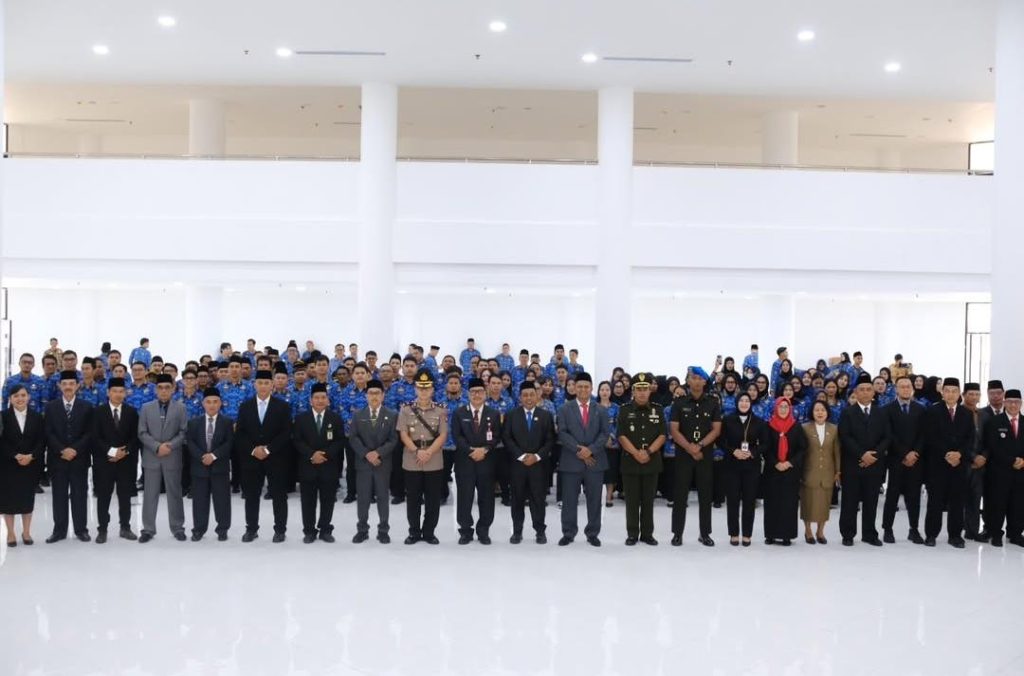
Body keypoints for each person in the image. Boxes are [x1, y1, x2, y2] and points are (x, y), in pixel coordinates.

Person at [235, 370, 293, 543]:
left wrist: (268, 449)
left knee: (279, 495)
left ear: (272, 385)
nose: (263, 386)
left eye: (266, 383)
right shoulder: (245, 406)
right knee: (251, 496)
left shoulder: (282, 406)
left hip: (276, 457)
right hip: (252, 458)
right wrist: (253, 450)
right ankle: (251, 529)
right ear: (255, 385)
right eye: (260, 383)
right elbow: (240, 433)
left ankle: (280, 530)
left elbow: (286, 432)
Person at [669, 369, 722, 547]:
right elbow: (674, 429)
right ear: (688, 381)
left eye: (700, 378)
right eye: (694, 378)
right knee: (680, 495)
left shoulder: (713, 403)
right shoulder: (679, 402)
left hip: (704, 455)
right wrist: (690, 448)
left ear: (705, 382)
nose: (697, 381)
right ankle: (677, 533)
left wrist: (699, 446)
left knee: (705, 495)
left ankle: (705, 534)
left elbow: (716, 429)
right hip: (683, 456)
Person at [555, 372, 609, 547]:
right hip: (571, 460)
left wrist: (590, 450)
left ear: (591, 388)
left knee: (594, 500)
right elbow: (562, 433)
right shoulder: (564, 409)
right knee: (569, 500)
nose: (583, 389)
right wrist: (580, 450)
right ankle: (568, 533)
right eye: (579, 386)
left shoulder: (601, 410)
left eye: (586, 386)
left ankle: (592, 533)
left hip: (595, 461)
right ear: (574, 388)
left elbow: (605, 434)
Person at [837, 372, 890, 547]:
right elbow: (845, 437)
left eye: (868, 389)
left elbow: (887, 437)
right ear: (856, 392)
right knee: (849, 502)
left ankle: (869, 534)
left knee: (871, 501)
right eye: (862, 389)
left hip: (874, 465)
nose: (865, 392)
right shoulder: (847, 412)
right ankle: (848, 534)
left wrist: (873, 455)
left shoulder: (881, 413)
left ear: (873, 392)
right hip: (853, 464)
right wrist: (862, 454)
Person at [923, 377, 975, 548]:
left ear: (959, 394)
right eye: (947, 391)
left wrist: (959, 454)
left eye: (954, 391)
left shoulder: (966, 413)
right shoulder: (932, 411)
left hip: (959, 464)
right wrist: (947, 454)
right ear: (942, 393)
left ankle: (955, 535)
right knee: (935, 501)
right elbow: (930, 437)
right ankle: (931, 534)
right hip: (938, 464)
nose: (951, 394)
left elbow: (970, 439)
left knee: (957, 502)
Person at [398, 369, 447, 545]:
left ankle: (429, 532)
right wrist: (417, 451)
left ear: (432, 389)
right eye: (420, 388)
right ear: (415, 389)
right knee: (413, 499)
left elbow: (443, 435)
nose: (424, 391)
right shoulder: (405, 409)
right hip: (412, 458)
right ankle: (414, 532)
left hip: (433, 458)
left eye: (427, 388)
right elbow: (403, 434)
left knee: (433, 499)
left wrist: (429, 452)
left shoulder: (441, 410)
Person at [45, 371, 95, 543]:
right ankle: (59, 531)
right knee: (59, 495)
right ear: (59, 386)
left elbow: (89, 433)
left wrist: (74, 449)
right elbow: (48, 432)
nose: (68, 387)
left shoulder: (86, 407)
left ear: (77, 386)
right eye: (64, 384)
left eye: (71, 384)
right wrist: (62, 450)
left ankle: (81, 530)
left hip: (79, 458)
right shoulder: (51, 407)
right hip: (57, 458)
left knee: (79, 494)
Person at [138, 374, 189, 543]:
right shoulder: (146, 408)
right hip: (152, 456)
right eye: (160, 388)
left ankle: (177, 527)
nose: (164, 391)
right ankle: (148, 529)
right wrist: (157, 447)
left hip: (172, 455)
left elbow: (183, 432)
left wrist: (170, 446)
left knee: (174, 493)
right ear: (156, 390)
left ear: (173, 389)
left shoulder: (180, 408)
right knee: (150, 494)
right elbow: (142, 432)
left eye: (167, 387)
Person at [616, 373, 665, 546]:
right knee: (631, 501)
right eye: (639, 389)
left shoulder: (658, 409)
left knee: (648, 501)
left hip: (652, 461)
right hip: (630, 461)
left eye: (645, 389)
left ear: (650, 390)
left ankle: (647, 534)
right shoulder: (624, 410)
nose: (642, 392)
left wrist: (648, 452)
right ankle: (632, 533)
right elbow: (621, 435)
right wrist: (636, 453)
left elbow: (662, 435)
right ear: (633, 391)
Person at [451, 377, 503, 545]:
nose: (477, 394)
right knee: (464, 498)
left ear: (485, 393)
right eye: (473, 392)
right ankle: (465, 531)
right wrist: (471, 450)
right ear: (468, 394)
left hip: (486, 462)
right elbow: (457, 436)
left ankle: (483, 531)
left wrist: (484, 450)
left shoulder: (493, 414)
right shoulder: (459, 413)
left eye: (480, 391)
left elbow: (496, 436)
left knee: (486, 498)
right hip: (465, 462)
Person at [292, 383, 345, 544]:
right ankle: (309, 531)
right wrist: (312, 454)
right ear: (311, 400)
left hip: (328, 466)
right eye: (316, 398)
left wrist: (325, 455)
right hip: (307, 465)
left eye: (323, 397)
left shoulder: (335, 418)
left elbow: (339, 440)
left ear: (328, 400)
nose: (320, 400)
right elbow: (297, 440)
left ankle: (325, 529)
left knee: (328, 500)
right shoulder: (301, 419)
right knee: (308, 501)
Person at [503, 380, 555, 544]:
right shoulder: (512, 415)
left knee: (538, 500)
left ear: (537, 396)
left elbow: (550, 440)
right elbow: (507, 438)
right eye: (525, 395)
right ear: (520, 397)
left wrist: (537, 456)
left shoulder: (545, 415)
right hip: (517, 466)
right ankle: (517, 532)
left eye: (531, 394)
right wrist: (521, 456)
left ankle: (540, 531)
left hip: (538, 466)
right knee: (517, 500)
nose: (528, 398)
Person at [349, 380, 398, 544]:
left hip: (382, 463)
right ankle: (362, 530)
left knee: (383, 497)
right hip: (363, 464)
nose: (374, 396)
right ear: (366, 396)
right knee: (363, 498)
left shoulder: (392, 415)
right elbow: (353, 438)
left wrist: (377, 453)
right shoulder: (358, 415)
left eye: (377, 393)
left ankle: (383, 530)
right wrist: (366, 454)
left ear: (383, 395)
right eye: (371, 393)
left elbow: (393, 439)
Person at [92, 377, 141, 543]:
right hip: (104, 461)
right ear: (108, 392)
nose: (118, 394)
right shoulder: (98, 412)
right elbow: (95, 437)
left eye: (121, 391)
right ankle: (102, 529)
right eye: (114, 391)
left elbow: (135, 437)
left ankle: (125, 527)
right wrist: (112, 451)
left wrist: (124, 451)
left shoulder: (131, 412)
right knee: (103, 496)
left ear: (125, 393)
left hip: (126, 462)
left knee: (125, 496)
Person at [881, 377, 927, 544]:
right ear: (896, 389)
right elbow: (889, 435)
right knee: (892, 496)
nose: (906, 389)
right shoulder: (887, 409)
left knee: (914, 496)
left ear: (912, 389)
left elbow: (923, 434)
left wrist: (915, 453)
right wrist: (904, 454)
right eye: (902, 386)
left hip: (916, 460)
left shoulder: (921, 409)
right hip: (896, 459)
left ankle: (914, 529)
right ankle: (887, 529)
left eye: (908, 386)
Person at [186, 388, 233, 541]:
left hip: (220, 467)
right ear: (203, 404)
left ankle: (222, 529)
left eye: (215, 402)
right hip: (199, 467)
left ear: (220, 403)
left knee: (222, 500)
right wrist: (202, 456)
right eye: (208, 402)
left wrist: (213, 456)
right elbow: (190, 443)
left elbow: (229, 443)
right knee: (200, 500)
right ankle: (199, 529)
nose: (212, 405)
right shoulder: (194, 423)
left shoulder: (227, 422)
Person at [0, 385, 45, 546]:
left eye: (23, 395)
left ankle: (26, 532)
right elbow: (1, 441)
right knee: (8, 500)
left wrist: (31, 456)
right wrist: (15, 455)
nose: (20, 398)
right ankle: (10, 533)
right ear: (10, 399)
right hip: (8, 465)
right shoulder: (3, 416)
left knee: (27, 499)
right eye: (16, 396)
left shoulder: (37, 417)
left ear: (29, 397)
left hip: (30, 464)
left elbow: (41, 440)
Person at [980, 389, 1024, 547]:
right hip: (999, 471)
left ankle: (1015, 533)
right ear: (1005, 403)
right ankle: (996, 533)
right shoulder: (994, 422)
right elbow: (992, 446)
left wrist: (1022, 461)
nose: (1013, 405)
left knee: (1018, 504)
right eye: (1010, 401)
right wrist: (1012, 460)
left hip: (1021, 472)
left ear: (1021, 403)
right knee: (997, 503)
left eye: (1016, 402)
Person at [721, 393, 765, 546]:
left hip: (751, 465)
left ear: (751, 403)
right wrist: (733, 451)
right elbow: (721, 441)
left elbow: (765, 443)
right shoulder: (728, 420)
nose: (744, 403)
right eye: (741, 400)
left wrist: (752, 452)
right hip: (732, 464)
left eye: (747, 401)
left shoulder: (758, 421)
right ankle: (733, 533)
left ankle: (747, 534)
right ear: (737, 402)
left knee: (749, 501)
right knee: (732, 501)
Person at [762, 398, 807, 545]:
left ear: (790, 409)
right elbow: (765, 448)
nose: (783, 409)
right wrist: (776, 463)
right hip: (772, 470)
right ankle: (770, 535)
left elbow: (802, 448)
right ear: (775, 408)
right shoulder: (769, 426)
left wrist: (789, 463)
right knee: (772, 503)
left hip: (790, 470)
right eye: (780, 406)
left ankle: (787, 535)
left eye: (786, 407)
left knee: (789, 504)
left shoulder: (796, 426)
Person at [799, 400, 841, 544]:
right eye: (816, 410)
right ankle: (808, 531)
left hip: (828, 472)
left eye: (823, 410)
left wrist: (838, 471)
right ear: (812, 412)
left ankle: (820, 531)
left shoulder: (834, 429)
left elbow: (836, 452)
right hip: (809, 472)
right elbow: (801, 451)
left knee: (824, 503)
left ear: (827, 412)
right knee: (808, 503)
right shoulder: (804, 428)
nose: (820, 413)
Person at [968, 380, 1004, 542]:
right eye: (992, 393)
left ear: (1003, 394)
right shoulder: (981, 413)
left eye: (999, 393)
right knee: (980, 498)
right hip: (981, 464)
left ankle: (1003, 529)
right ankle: (983, 529)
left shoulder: (1010, 412)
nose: (996, 396)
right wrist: (978, 457)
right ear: (987, 395)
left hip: (1002, 465)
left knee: (1001, 499)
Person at [597, 381, 621, 508]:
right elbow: (591, 425)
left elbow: (619, 425)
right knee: (597, 471)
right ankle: (597, 496)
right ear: (599, 392)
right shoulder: (594, 406)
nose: (604, 392)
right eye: (602, 390)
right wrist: (602, 439)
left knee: (611, 471)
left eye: (607, 390)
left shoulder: (616, 408)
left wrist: (611, 438)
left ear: (610, 392)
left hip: (613, 444)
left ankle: (609, 496)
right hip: (597, 445)